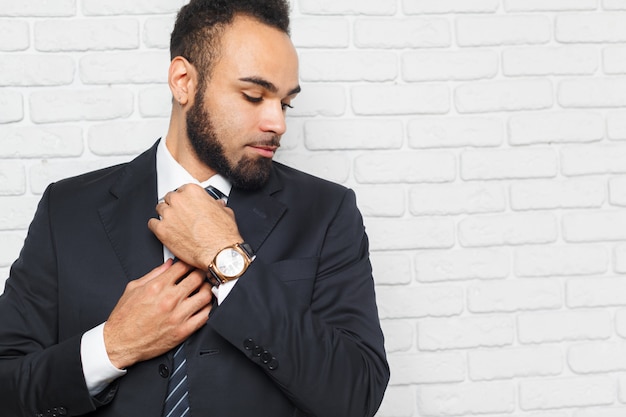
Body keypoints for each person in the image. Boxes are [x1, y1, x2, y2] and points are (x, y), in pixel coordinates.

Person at [0, 0, 389, 416]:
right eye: (254, 95)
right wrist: (113, 345)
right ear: (183, 81)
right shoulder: (67, 210)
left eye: (285, 102)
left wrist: (228, 261)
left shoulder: (327, 212)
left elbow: (356, 395)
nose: (278, 123)